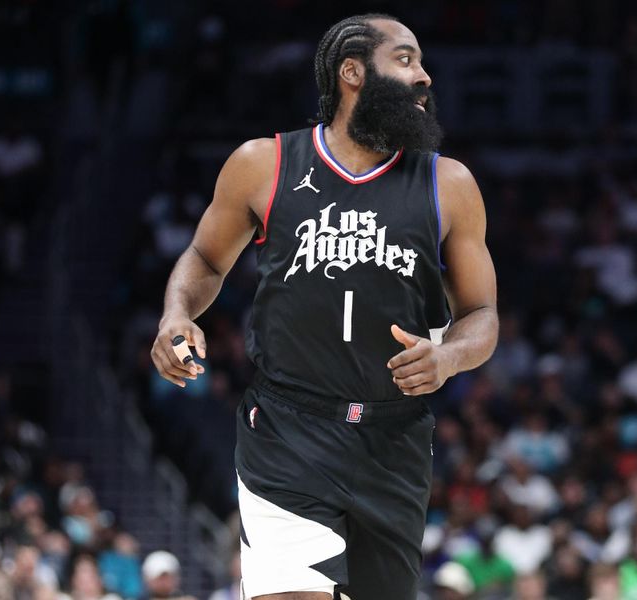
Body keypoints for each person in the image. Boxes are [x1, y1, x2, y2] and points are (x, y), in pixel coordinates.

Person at [151, 13, 498, 600]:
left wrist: (452, 357)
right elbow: (205, 261)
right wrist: (177, 314)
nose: (426, 77)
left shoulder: (449, 185)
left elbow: (482, 314)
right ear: (352, 72)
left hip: (393, 439)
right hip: (287, 431)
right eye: (407, 60)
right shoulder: (265, 163)